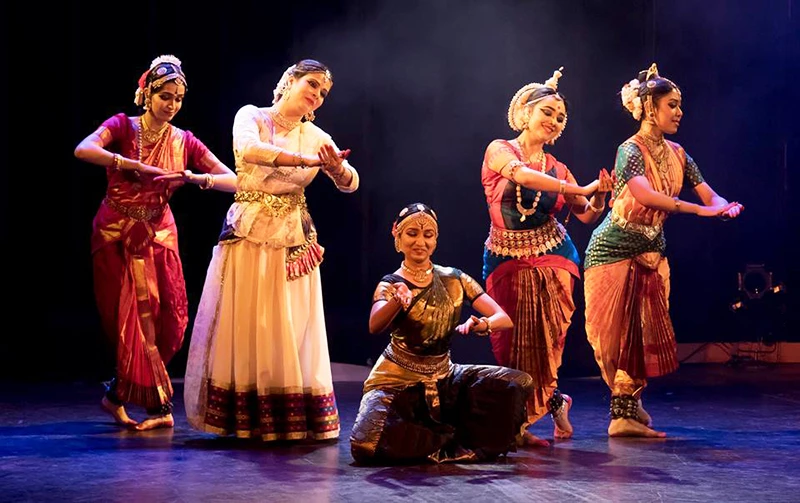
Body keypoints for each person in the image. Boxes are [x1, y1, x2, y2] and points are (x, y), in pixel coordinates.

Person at [184, 59, 358, 442]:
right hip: (249, 235)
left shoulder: (316, 136)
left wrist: (336, 170)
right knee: (251, 320)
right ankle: (245, 417)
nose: (317, 95)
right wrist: (306, 162)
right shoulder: (252, 116)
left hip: (293, 240)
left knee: (290, 322)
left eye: (323, 93)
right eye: (312, 84)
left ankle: (290, 418)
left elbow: (351, 182)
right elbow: (250, 151)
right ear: (290, 80)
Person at [74, 55, 237, 431]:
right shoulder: (122, 126)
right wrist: (130, 165)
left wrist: (196, 178)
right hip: (116, 234)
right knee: (128, 324)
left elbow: (233, 179)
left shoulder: (184, 140)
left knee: (172, 323)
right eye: (165, 96)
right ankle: (160, 407)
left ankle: (117, 395)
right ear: (147, 94)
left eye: (178, 99)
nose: (172, 105)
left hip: (159, 235)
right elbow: (83, 149)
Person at [584, 63, 744, 438]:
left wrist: (723, 207)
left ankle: (627, 407)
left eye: (679, 105)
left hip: (653, 252)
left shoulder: (679, 154)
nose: (679, 112)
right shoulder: (629, 150)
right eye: (672, 105)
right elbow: (644, 195)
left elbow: (709, 194)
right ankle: (622, 410)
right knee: (612, 338)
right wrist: (701, 211)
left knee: (642, 334)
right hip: (612, 250)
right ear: (649, 109)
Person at [480, 68, 612, 446]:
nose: (554, 121)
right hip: (506, 256)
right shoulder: (500, 149)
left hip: (554, 255)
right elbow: (521, 177)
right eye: (547, 112)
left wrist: (599, 196)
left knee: (547, 342)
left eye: (560, 117)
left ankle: (520, 425)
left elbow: (586, 215)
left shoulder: (559, 169)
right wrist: (578, 188)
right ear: (525, 113)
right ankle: (552, 401)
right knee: (509, 342)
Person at [350, 203, 534, 464]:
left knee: (518, 382)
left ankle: (443, 440)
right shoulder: (391, 284)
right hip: (397, 381)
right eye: (412, 233)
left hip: (444, 375)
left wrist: (482, 325)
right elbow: (374, 324)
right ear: (397, 235)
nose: (420, 242)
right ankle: (447, 442)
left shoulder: (454, 278)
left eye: (428, 235)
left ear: (436, 239)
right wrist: (398, 301)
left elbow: (503, 319)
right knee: (365, 444)